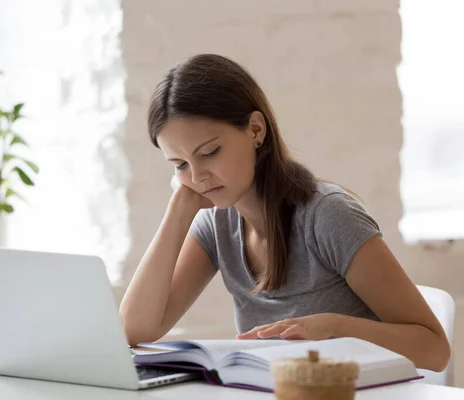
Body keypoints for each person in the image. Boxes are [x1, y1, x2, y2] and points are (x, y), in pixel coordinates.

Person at [119, 54, 450, 372]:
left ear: (256, 130)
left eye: (209, 152)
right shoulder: (215, 225)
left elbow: (434, 349)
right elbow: (135, 330)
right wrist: (178, 211)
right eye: (180, 165)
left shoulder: (328, 216)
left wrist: (333, 328)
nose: (197, 176)